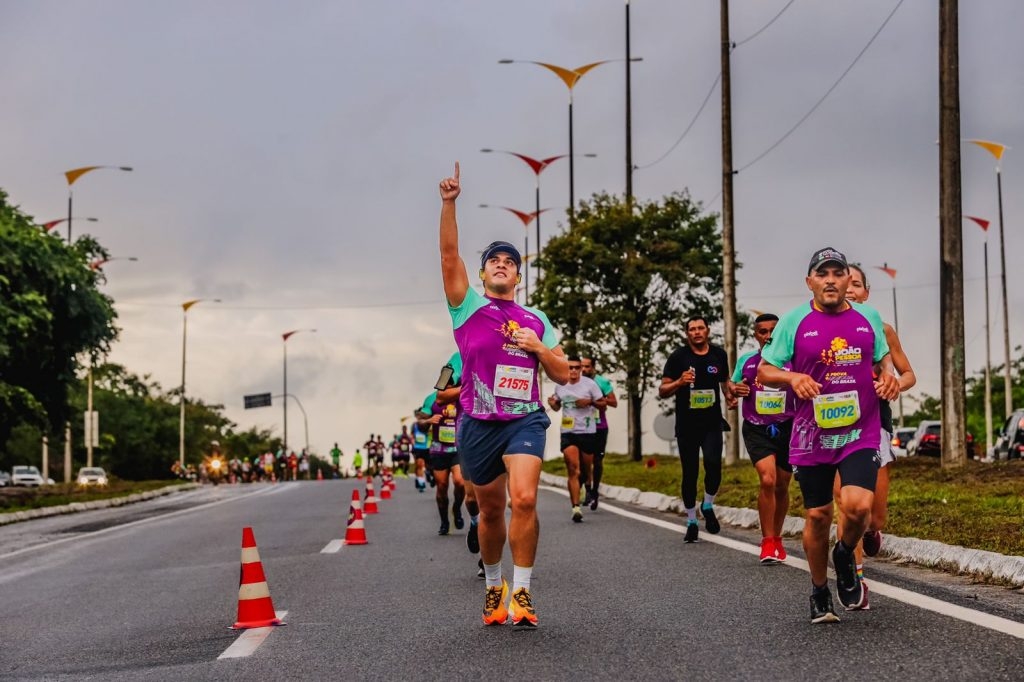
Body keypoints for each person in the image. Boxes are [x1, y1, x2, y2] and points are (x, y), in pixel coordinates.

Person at [438, 162, 569, 627]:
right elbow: (449, 256)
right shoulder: (467, 308)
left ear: (517, 276)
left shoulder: (536, 319)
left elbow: (564, 373)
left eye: (509, 261)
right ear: (482, 273)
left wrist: (538, 348)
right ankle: (495, 585)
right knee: (490, 513)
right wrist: (450, 203)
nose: (502, 264)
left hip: (524, 420)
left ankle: (524, 592)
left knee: (525, 500)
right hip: (477, 423)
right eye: (494, 259)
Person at [758, 247, 899, 624]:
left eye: (838, 273)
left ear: (847, 280)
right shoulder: (793, 321)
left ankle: (845, 553)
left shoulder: (868, 317)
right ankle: (820, 592)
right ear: (810, 282)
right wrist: (793, 377)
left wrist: (888, 378)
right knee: (819, 515)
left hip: (860, 429)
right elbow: (764, 372)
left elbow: (884, 362)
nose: (832, 280)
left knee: (858, 507)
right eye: (823, 274)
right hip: (811, 433)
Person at [835, 264, 916, 602]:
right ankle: (856, 579)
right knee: (847, 504)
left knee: (874, 515)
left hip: (874, 424)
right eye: (844, 283)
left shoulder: (882, 329)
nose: (849, 289)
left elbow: (908, 374)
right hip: (835, 429)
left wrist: (893, 383)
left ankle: (870, 531)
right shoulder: (818, 331)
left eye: (856, 284)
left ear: (866, 293)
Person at [727, 313, 795, 564]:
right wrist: (735, 391)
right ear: (755, 335)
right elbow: (732, 386)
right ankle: (767, 542)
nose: (767, 336)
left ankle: (777, 537)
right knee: (768, 479)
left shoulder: (792, 360)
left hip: (788, 426)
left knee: (782, 485)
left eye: (772, 331)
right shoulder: (747, 361)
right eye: (762, 332)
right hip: (757, 428)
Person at [659, 316, 733, 543]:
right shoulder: (678, 357)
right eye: (692, 329)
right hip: (687, 425)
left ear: (708, 331)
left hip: (711, 422)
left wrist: (730, 396)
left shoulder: (719, 355)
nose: (697, 332)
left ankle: (708, 504)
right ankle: (691, 520)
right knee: (690, 473)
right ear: (687, 334)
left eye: (701, 328)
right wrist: (680, 382)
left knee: (713, 464)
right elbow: (663, 390)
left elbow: (724, 383)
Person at [548, 356, 604, 522]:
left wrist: (590, 402)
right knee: (573, 468)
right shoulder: (560, 384)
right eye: (570, 367)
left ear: (581, 369)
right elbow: (557, 406)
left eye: (576, 368)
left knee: (586, 470)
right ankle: (576, 507)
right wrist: (552, 403)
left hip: (587, 431)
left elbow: (603, 404)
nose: (573, 371)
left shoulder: (590, 385)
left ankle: (588, 486)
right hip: (568, 431)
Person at [418, 391, 466, 535]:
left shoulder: (464, 392)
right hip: (439, 449)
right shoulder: (432, 398)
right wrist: (428, 421)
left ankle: (456, 508)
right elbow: (420, 424)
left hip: (458, 448)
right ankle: (444, 522)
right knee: (442, 486)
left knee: (460, 482)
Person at [581, 356, 617, 509]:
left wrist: (597, 399)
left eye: (587, 366)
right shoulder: (576, 382)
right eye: (582, 366)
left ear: (593, 367)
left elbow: (614, 402)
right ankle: (588, 490)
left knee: (597, 460)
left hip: (600, 426)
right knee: (584, 461)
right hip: (582, 426)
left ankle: (595, 491)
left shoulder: (602, 382)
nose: (584, 369)